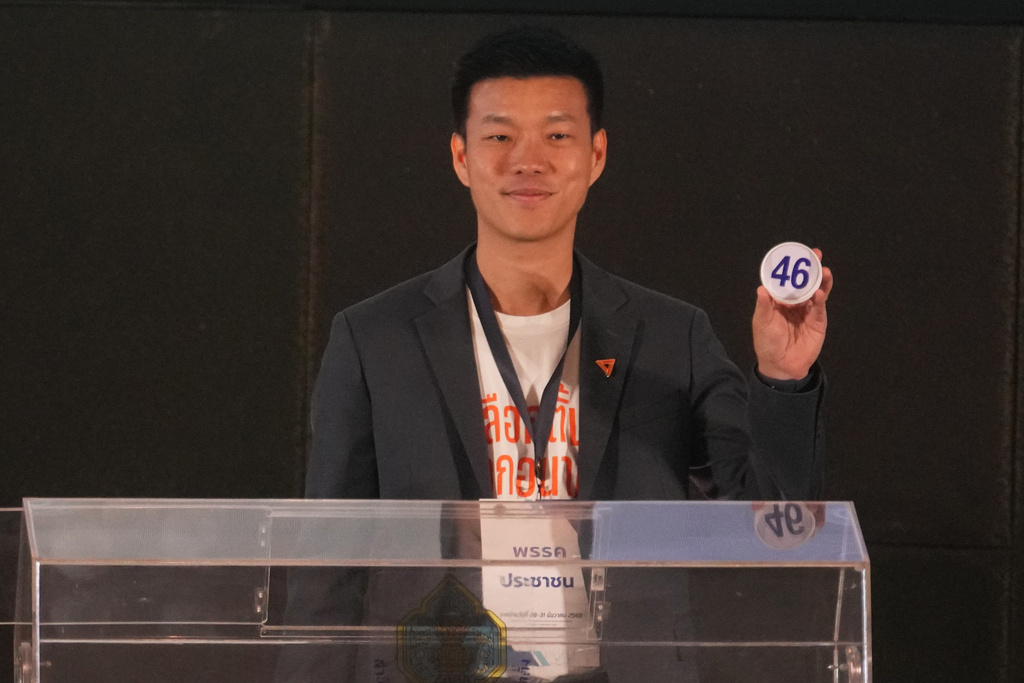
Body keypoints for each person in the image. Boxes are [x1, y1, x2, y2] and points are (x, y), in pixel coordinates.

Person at [292, 25, 833, 682]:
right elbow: (327, 569)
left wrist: (781, 376)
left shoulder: (670, 336)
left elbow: (775, 529)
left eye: (556, 135)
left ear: (596, 154)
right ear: (460, 156)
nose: (528, 160)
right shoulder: (375, 339)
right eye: (499, 136)